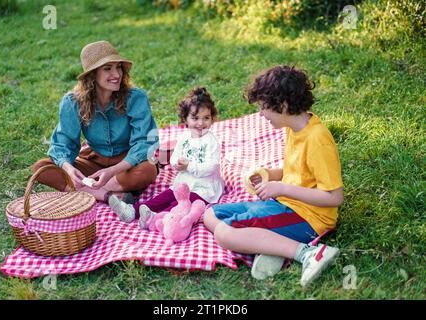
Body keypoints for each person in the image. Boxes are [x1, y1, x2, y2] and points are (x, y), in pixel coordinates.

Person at [203, 65, 344, 287]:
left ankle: (308, 253)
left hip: (309, 217)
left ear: (284, 105)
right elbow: (297, 172)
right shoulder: (295, 128)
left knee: (224, 234)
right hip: (284, 206)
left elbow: (334, 197)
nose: (260, 114)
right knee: (210, 214)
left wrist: (282, 188)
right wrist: (270, 175)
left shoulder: (317, 139)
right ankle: (274, 246)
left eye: (263, 107)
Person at [32, 40, 159, 220]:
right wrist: (68, 169)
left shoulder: (135, 98)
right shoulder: (73, 103)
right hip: (93, 161)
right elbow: (62, 145)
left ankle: (89, 190)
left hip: (126, 162)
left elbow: (145, 143)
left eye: (118, 67)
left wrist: (113, 171)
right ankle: (108, 196)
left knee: (148, 169)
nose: (116, 74)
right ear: (92, 75)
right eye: (107, 68)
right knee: (42, 168)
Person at [114, 87, 224, 228]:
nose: (201, 123)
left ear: (212, 118)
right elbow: (175, 156)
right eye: (195, 118)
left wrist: (189, 166)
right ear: (185, 119)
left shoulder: (211, 141)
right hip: (184, 182)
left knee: (181, 204)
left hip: (204, 188)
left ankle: (155, 219)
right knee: (166, 195)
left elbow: (211, 167)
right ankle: (132, 211)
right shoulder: (185, 137)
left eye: (206, 118)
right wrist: (175, 163)